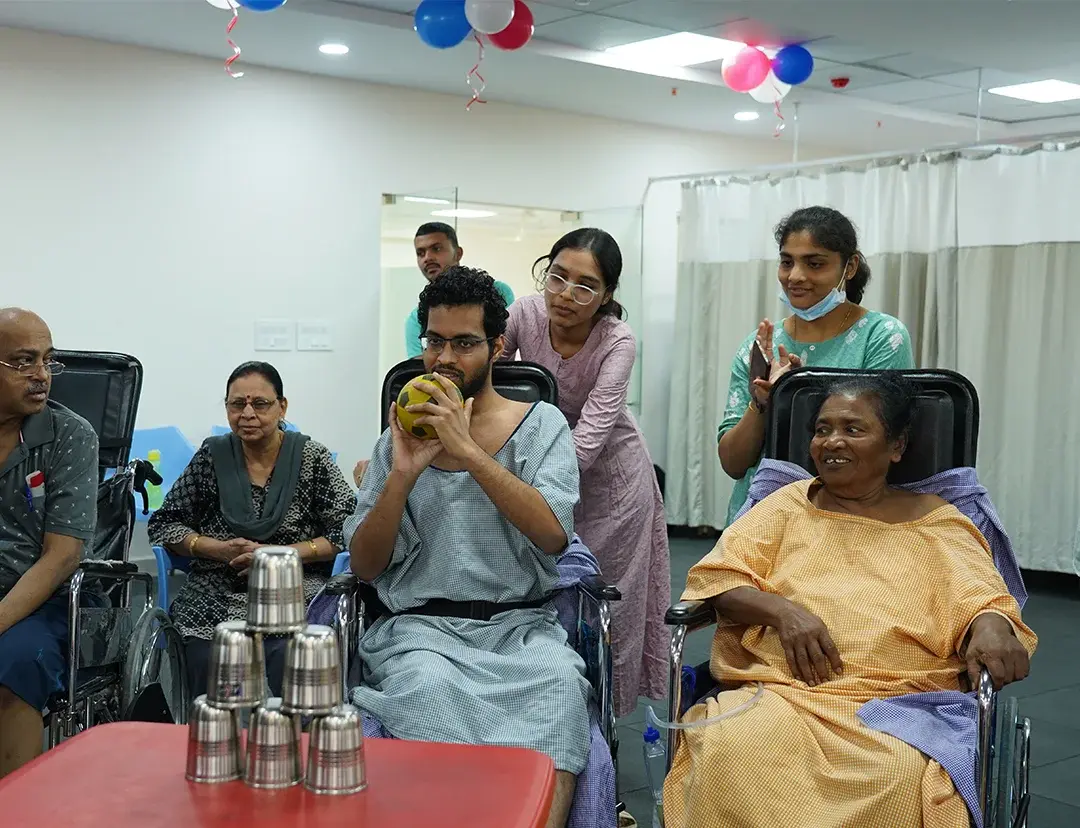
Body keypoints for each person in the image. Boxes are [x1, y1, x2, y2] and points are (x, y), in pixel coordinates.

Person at [664, 374, 1036, 828]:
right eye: (822, 429)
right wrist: (783, 611)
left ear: (896, 446)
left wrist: (994, 624)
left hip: (897, 705)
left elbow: (984, 597)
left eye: (853, 429)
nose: (831, 442)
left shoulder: (941, 523)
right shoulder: (786, 506)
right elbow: (717, 580)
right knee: (731, 748)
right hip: (783, 695)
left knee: (897, 778)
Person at [347, 267, 589, 828]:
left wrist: (470, 451)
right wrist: (402, 475)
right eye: (434, 341)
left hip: (519, 630)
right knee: (427, 691)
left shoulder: (541, 424)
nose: (444, 358)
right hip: (422, 635)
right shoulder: (397, 439)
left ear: (496, 347)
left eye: (463, 343)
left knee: (559, 691)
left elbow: (554, 534)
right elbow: (364, 564)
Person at [501, 228, 669, 718]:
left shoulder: (617, 340)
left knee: (605, 605)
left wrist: (515, 480)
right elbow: (484, 378)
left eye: (584, 286)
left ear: (607, 296)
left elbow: (588, 441)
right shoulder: (524, 315)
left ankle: (604, 725)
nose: (565, 296)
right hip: (540, 471)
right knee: (543, 596)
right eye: (557, 277)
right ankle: (547, 707)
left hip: (611, 485)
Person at [148, 362, 355, 697]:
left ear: (282, 406)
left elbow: (346, 529)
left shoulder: (312, 458)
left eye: (260, 404)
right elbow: (165, 523)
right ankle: (216, 742)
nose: (247, 413)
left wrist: (277, 557)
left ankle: (291, 743)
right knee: (206, 659)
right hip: (214, 590)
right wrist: (217, 548)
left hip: (291, 591)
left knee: (292, 657)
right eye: (236, 404)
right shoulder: (210, 457)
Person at [717, 206, 915, 526]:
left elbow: (882, 449)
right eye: (786, 262)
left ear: (849, 267)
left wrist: (800, 397)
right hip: (760, 521)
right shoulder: (759, 347)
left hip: (848, 521)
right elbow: (733, 463)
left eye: (814, 263)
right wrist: (764, 402)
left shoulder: (882, 337)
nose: (795, 276)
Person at [0, 309, 98, 777]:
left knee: (13, 663)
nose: (42, 375)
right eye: (23, 361)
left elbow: (62, 556)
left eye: (48, 360)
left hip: (48, 599)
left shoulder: (71, 436)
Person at [403, 222, 515, 359]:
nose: (427, 258)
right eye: (420, 253)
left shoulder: (498, 292)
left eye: (436, 249)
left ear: (458, 254)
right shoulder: (416, 319)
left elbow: (506, 351)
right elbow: (417, 367)